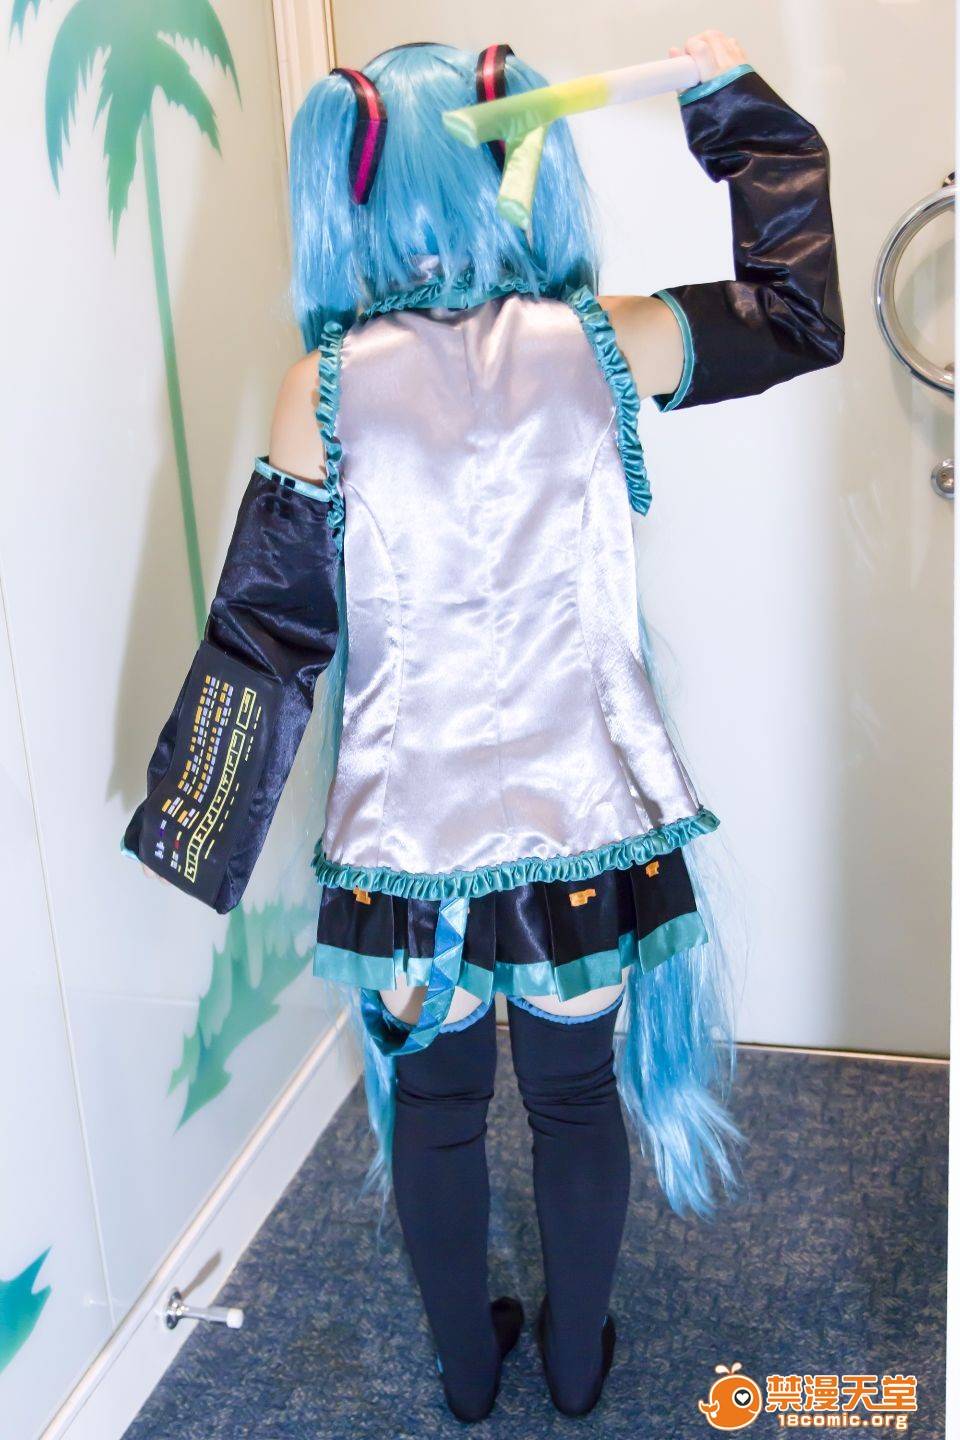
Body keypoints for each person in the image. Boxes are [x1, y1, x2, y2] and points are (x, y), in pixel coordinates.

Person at [125, 30, 842, 1423]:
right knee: (575, 1101)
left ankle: (467, 1376)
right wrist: (734, 110)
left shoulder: (321, 387)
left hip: (408, 863)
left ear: (350, 189)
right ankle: (576, 1366)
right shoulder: (602, 342)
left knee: (440, 1112)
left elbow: (270, 635)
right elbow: (799, 312)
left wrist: (193, 828)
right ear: (513, 161)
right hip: (590, 835)